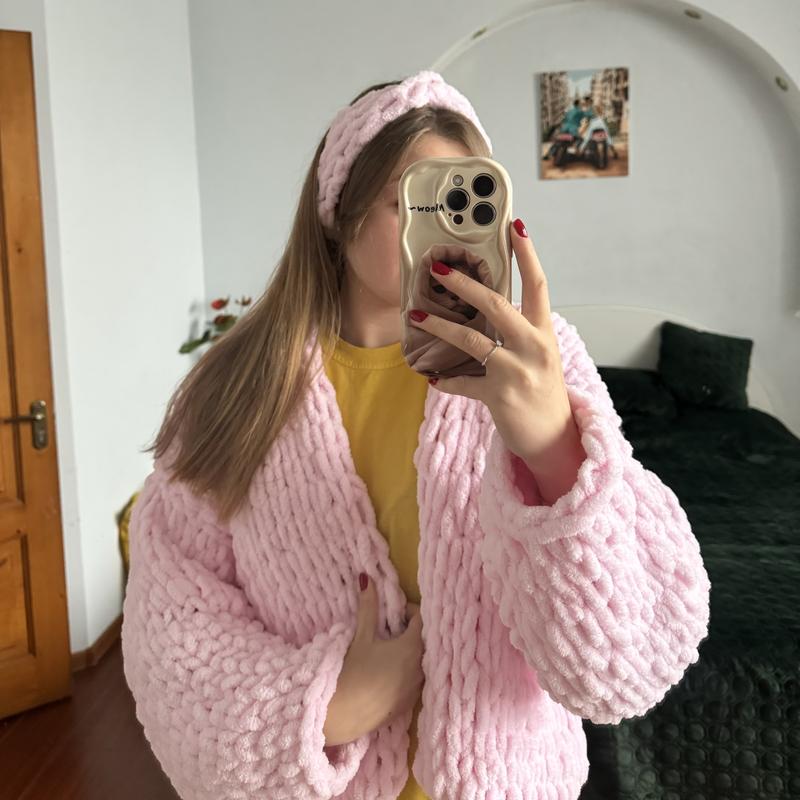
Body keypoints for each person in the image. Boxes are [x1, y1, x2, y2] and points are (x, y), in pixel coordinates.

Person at [121, 69, 711, 800]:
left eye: (467, 200)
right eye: (416, 202)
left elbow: (624, 668)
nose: (447, 231)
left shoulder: (539, 362)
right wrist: (329, 709)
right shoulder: (234, 387)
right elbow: (171, 623)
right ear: (337, 216)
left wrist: (553, 446)